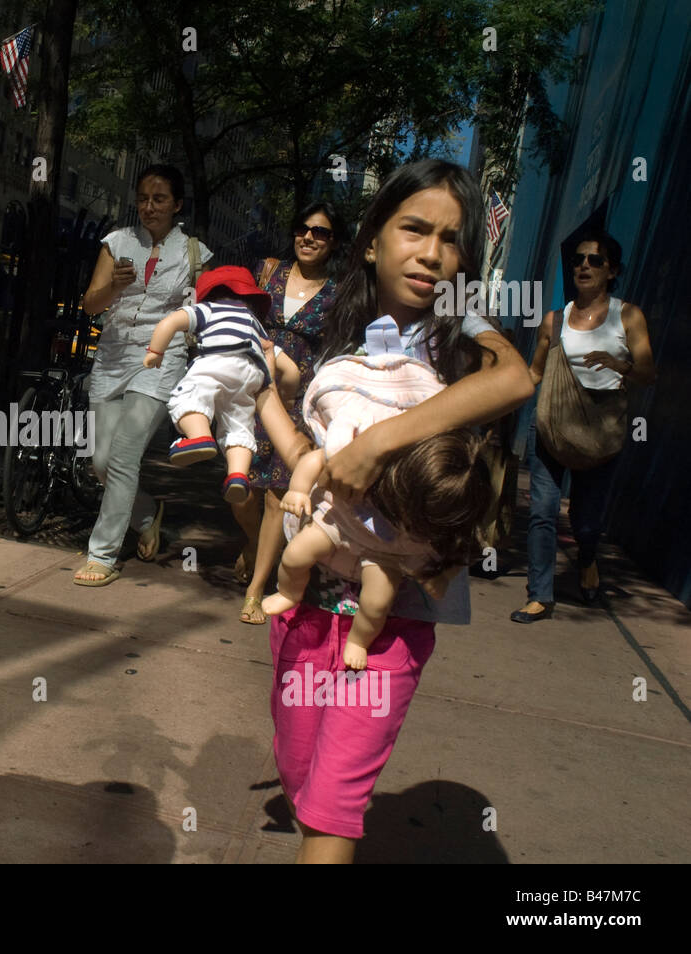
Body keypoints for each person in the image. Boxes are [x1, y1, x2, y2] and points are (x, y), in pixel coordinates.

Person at [266, 159, 534, 863]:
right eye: (414, 229)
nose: (432, 253)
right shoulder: (330, 330)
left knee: (333, 806)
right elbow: (304, 439)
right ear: (373, 240)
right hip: (310, 596)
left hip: (398, 616)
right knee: (300, 777)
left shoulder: (461, 336)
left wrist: (382, 443)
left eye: (451, 239)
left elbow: (517, 378)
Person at [261, 332, 493, 666]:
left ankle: (358, 640)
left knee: (376, 603)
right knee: (296, 555)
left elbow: (455, 550)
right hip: (341, 521)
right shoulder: (373, 450)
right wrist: (298, 490)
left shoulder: (430, 513)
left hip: (386, 552)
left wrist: (436, 575)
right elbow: (316, 459)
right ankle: (288, 592)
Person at [73, 165, 212, 586]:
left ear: (177, 204)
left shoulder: (195, 254)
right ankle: (148, 514)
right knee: (100, 463)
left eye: (159, 199)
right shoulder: (116, 243)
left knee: (124, 454)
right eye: (143, 198)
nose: (149, 207)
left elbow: (199, 317)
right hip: (112, 356)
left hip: (160, 358)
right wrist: (113, 287)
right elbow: (90, 306)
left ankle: (103, 554)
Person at [511, 229, 656, 622]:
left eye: (594, 260)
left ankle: (587, 558)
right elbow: (534, 373)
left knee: (586, 523)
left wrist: (619, 364)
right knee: (542, 511)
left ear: (612, 271)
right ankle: (540, 595)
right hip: (551, 426)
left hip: (599, 433)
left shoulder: (627, 316)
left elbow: (647, 372)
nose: (584, 266)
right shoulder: (554, 321)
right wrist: (496, 396)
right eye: (578, 260)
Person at [236, 202, 344, 624]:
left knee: (277, 497)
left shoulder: (340, 290)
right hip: (253, 389)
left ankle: (255, 588)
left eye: (321, 232)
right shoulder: (269, 272)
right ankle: (250, 543)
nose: (310, 237)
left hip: (301, 401)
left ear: (333, 242)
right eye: (303, 227)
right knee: (239, 486)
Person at [143, 265, 299, 500]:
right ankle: (238, 475)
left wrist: (156, 351)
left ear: (209, 294)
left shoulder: (208, 309)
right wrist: (286, 397)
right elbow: (292, 370)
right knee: (239, 424)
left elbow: (171, 322)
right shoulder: (254, 324)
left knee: (188, 397)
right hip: (250, 374)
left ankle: (198, 436)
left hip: (215, 362)